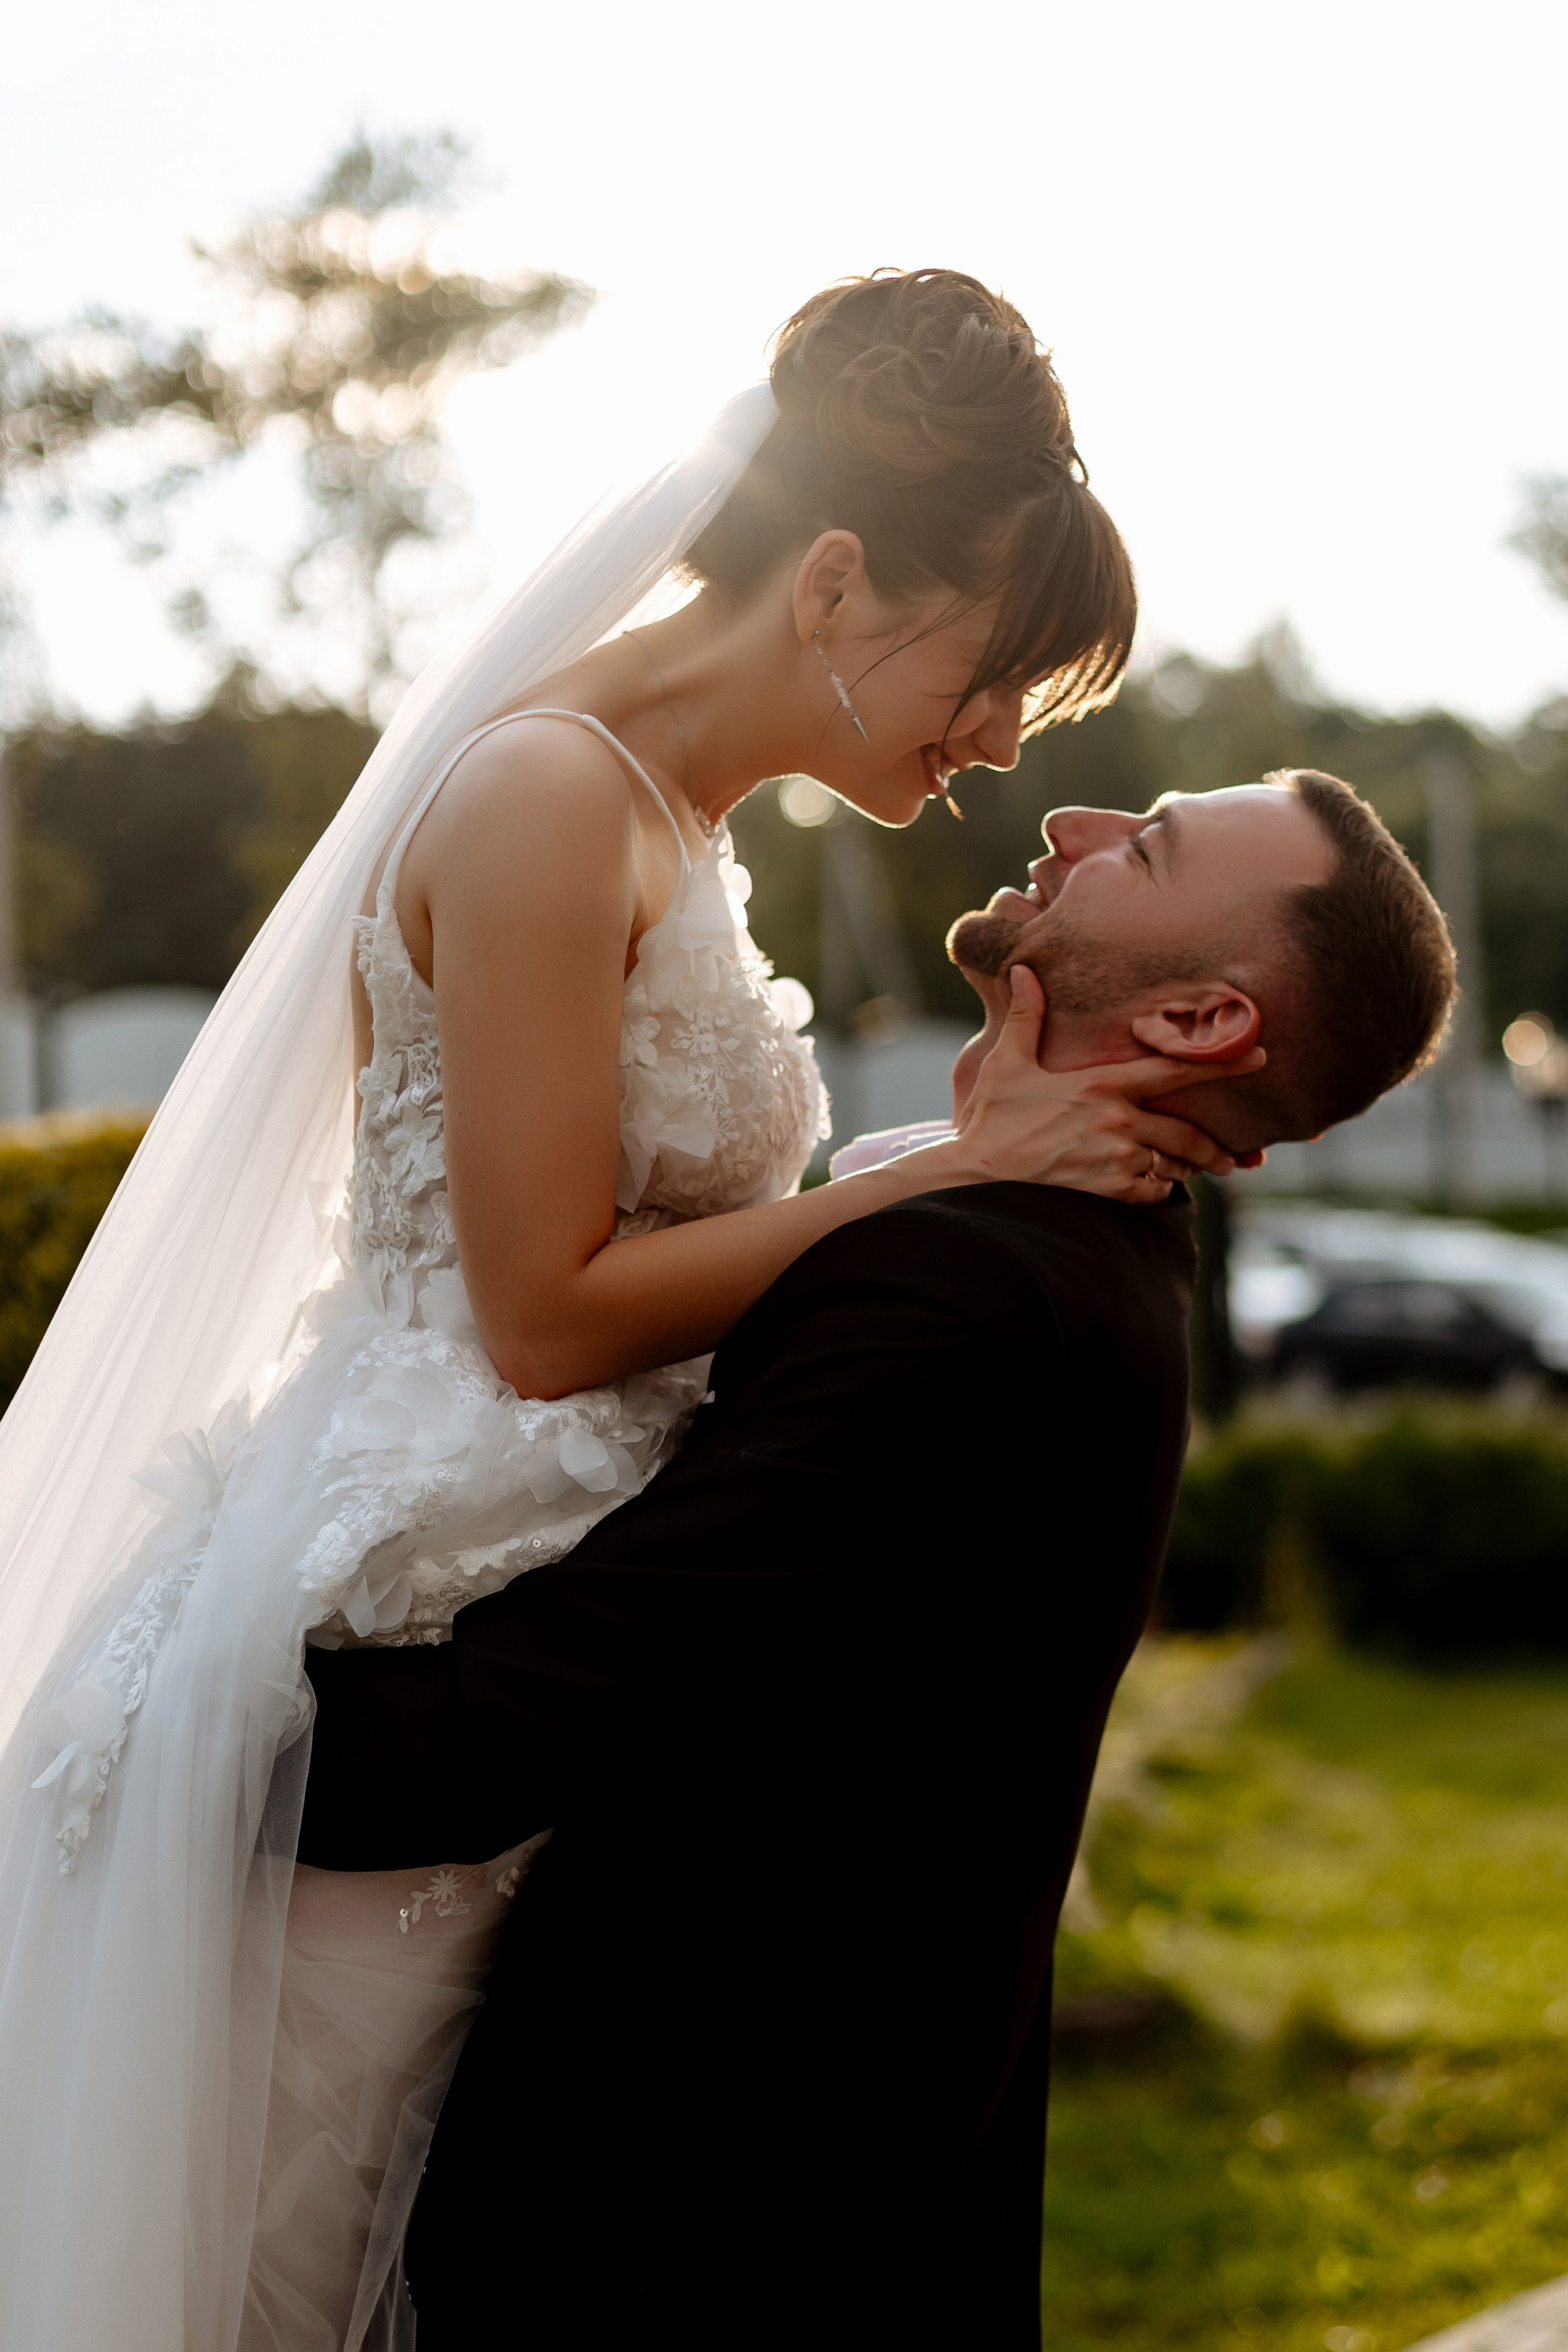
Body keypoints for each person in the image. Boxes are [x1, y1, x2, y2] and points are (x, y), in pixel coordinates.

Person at [0, 270, 1252, 2352]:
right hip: (417, 1609)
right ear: (840, 580)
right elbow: (544, 1311)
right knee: (286, 2264)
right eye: (997, 670)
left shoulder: (686, 821)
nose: (1005, 741)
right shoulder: (544, 800)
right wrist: (961, 1177)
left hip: (572, 1610)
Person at [297, 766, 1456, 2347]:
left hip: (698, 2240)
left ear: (1197, 1025)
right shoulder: (1067, 1245)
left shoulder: (972, 1297)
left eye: (1151, 843)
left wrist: (141, 1740)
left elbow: (521, 1719)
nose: (1076, 823)